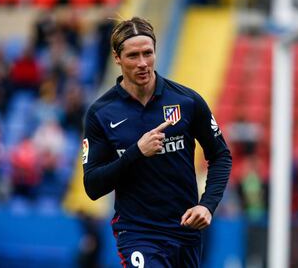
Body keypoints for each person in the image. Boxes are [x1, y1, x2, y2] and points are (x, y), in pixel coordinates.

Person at [82, 17, 232, 267]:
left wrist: (207, 205)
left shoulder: (187, 102)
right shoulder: (102, 113)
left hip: (185, 230)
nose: (142, 63)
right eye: (133, 56)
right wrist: (136, 152)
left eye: (147, 53)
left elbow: (220, 156)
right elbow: (93, 186)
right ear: (117, 58)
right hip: (138, 233)